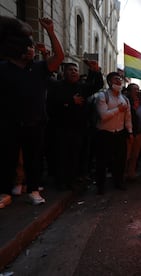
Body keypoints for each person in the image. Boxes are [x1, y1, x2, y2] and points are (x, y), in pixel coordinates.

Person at [0, 16, 64, 206]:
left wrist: (50, 31)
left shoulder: (39, 68)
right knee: (6, 159)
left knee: (33, 159)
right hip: (8, 123)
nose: (32, 49)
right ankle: (4, 192)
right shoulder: (3, 68)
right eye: (29, 47)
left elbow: (59, 57)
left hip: (34, 123)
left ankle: (34, 190)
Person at [46, 61, 103, 191]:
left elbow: (97, 85)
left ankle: (71, 180)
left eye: (75, 70)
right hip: (61, 128)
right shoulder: (57, 86)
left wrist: (96, 71)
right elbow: (52, 103)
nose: (73, 72)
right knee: (61, 155)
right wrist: (70, 101)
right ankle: (60, 181)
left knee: (75, 155)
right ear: (64, 72)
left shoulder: (81, 87)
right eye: (70, 70)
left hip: (78, 128)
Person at [94, 72, 133, 194]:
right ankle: (101, 186)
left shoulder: (125, 99)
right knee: (102, 161)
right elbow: (103, 116)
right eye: (116, 80)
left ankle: (118, 182)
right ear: (110, 82)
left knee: (120, 160)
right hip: (105, 134)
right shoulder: (102, 96)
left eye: (120, 80)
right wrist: (118, 109)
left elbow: (128, 118)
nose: (119, 82)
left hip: (120, 134)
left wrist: (130, 132)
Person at [125, 83, 141, 181]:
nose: (137, 91)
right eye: (134, 89)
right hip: (128, 133)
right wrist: (129, 132)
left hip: (139, 133)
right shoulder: (126, 101)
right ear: (129, 91)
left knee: (135, 155)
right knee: (126, 156)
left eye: (138, 89)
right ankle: (122, 175)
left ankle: (131, 174)